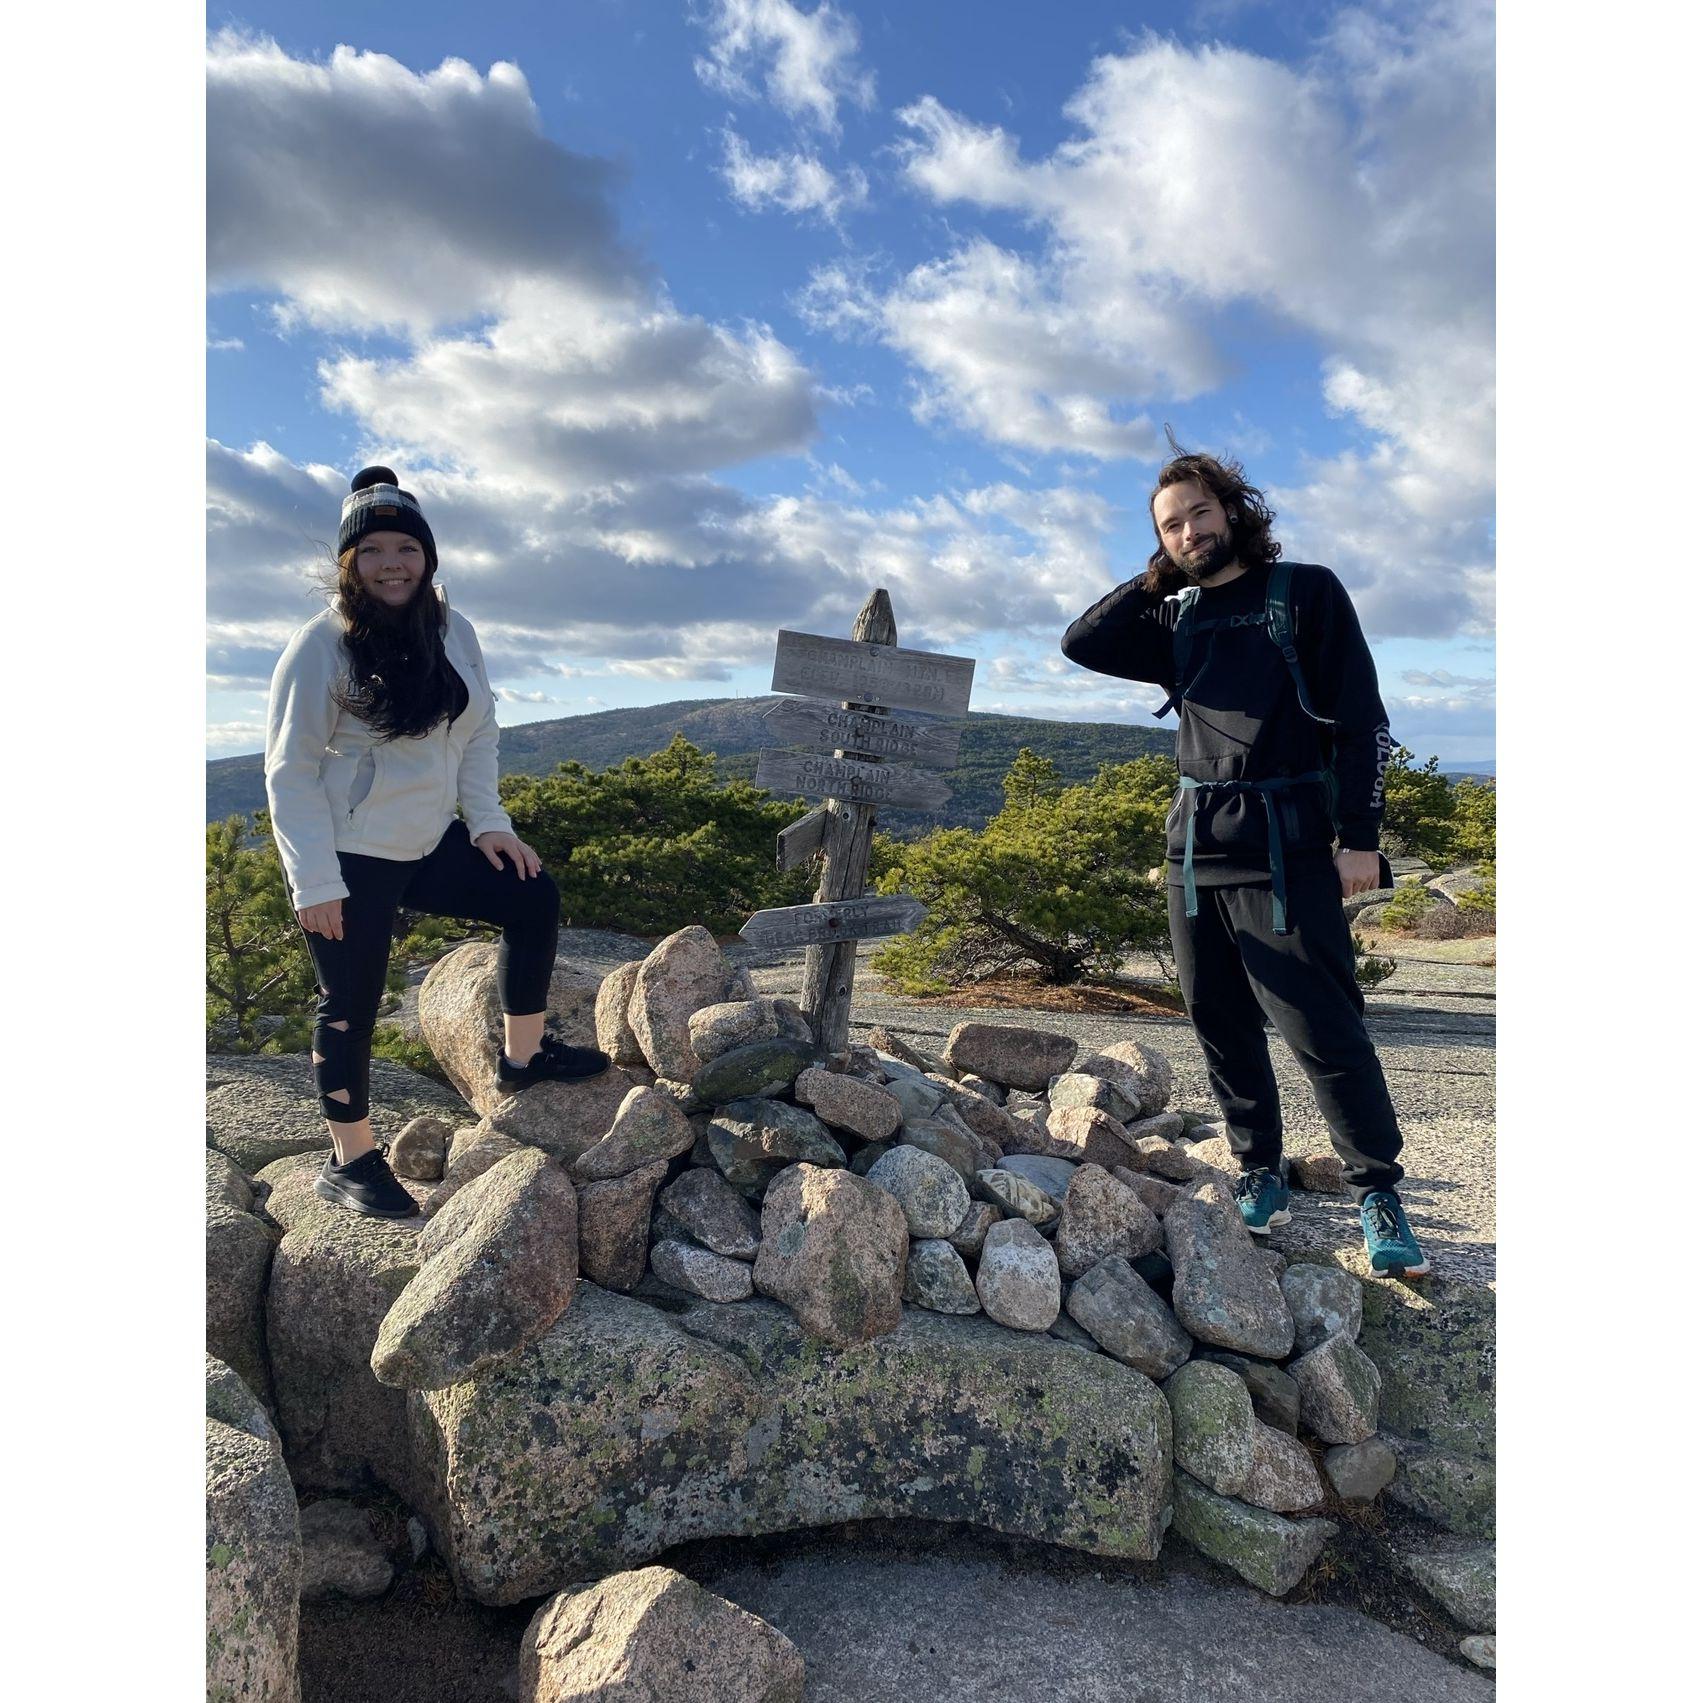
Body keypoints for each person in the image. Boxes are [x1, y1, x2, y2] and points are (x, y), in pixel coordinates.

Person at [1060, 444, 1428, 1277]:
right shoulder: (1178, 620)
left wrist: (1359, 837)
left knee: (1322, 1027)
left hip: (1286, 845)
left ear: (1231, 510)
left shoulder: (1303, 593)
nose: (1188, 531)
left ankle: (1377, 1190)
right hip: (1193, 850)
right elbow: (1082, 640)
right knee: (1218, 1021)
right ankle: (1259, 1169)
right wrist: (1156, 576)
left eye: (1198, 512)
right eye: (1170, 525)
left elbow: (1362, 719)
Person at [264, 467, 609, 1219]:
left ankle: (523, 1057)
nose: (391, 564)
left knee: (531, 895)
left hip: (428, 839)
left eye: (406, 548)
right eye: (373, 550)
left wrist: (489, 822)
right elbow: (289, 771)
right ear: (349, 561)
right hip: (351, 854)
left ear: (428, 556)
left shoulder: (451, 627)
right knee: (349, 1002)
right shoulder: (321, 643)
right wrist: (313, 881)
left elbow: (478, 730)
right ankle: (349, 1159)